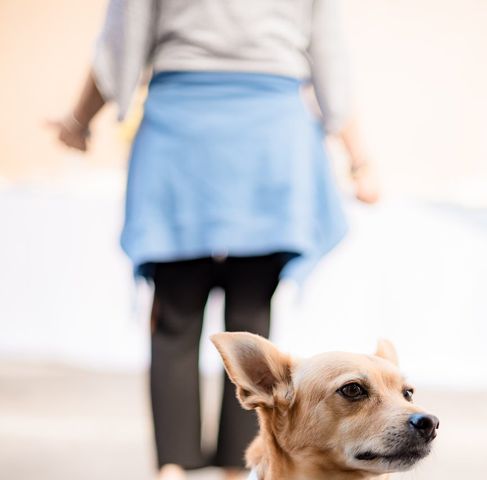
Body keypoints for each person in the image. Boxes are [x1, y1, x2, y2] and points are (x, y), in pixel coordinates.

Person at [49, 1, 379, 479]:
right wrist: (360, 160)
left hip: (183, 132)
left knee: (175, 318)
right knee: (251, 314)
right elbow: (332, 65)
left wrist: (78, 122)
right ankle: (237, 469)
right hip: (271, 138)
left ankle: (173, 469)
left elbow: (118, 48)